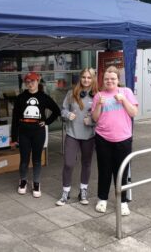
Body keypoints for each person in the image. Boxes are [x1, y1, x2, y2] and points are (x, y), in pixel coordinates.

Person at [91, 66, 138, 215]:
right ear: (103, 80)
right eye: (106, 79)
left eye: (112, 78)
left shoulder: (126, 92)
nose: (109, 81)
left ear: (118, 80)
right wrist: (99, 104)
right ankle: (102, 199)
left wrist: (123, 100)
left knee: (122, 171)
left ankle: (123, 202)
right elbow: (95, 118)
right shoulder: (99, 95)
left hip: (123, 138)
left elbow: (134, 112)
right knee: (104, 170)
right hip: (103, 138)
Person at [11, 72, 60, 198]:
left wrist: (47, 122)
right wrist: (13, 137)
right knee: (24, 159)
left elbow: (56, 111)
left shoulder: (43, 97)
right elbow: (15, 118)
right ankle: (23, 181)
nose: (30, 84)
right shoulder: (21, 97)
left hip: (38, 132)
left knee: (37, 159)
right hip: (23, 132)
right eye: (27, 82)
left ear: (38, 81)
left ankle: (36, 182)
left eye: (32, 81)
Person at [56, 68, 98, 206]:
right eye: (84, 77)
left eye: (89, 77)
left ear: (93, 79)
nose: (86, 80)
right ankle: (66, 192)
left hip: (89, 136)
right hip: (72, 134)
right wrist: (68, 115)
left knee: (86, 163)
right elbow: (63, 110)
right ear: (80, 78)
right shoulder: (71, 93)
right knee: (68, 163)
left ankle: (83, 191)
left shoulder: (97, 96)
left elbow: (101, 117)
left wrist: (91, 121)